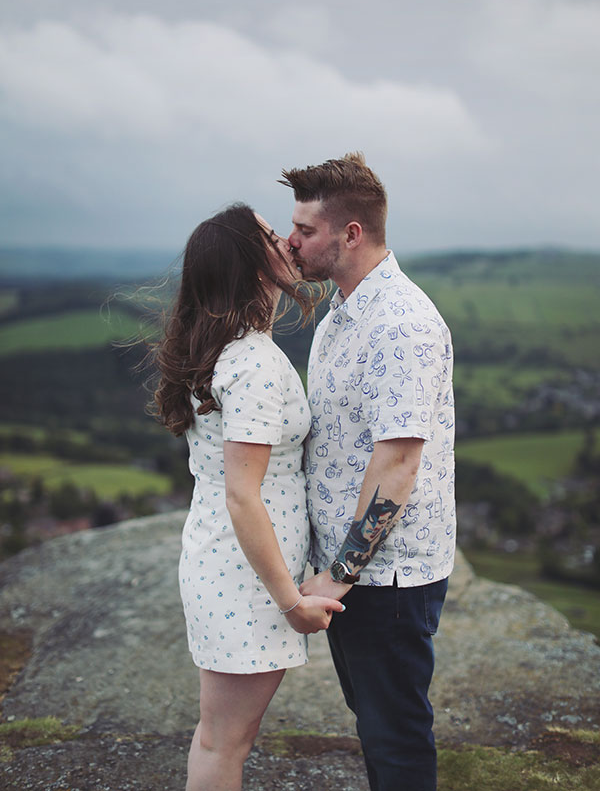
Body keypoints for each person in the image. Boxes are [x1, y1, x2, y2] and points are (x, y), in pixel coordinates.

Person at [151, 203, 344, 791]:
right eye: (268, 235)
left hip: (229, 566)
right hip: (247, 579)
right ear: (246, 263)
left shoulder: (227, 349)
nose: (286, 240)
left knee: (220, 735)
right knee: (223, 741)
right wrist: (291, 602)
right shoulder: (254, 363)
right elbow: (243, 496)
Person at [281, 153, 456, 791]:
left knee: (395, 732)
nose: (290, 241)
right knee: (374, 719)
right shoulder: (341, 312)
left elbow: (398, 464)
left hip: (386, 575)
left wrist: (340, 574)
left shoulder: (400, 324)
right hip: (355, 573)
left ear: (350, 234)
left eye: (304, 230)